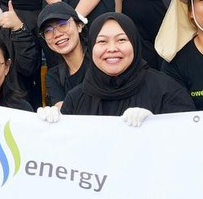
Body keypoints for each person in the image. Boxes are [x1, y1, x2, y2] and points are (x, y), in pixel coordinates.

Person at [47, 12, 194, 121]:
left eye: (121, 40)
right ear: (91, 48)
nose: (112, 49)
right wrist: (50, 127)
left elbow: (187, 139)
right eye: (102, 41)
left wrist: (156, 124)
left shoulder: (167, 91)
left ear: (135, 44)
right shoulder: (76, 99)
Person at [36, 2, 86, 107]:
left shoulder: (100, 62)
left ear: (79, 26)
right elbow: (62, 111)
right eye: (48, 30)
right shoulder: (54, 76)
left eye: (63, 24)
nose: (57, 34)